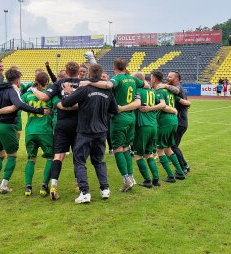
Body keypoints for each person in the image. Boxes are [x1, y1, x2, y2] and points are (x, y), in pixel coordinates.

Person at [31, 62, 110, 200]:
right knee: (78, 156)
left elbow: (44, 97)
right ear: (79, 71)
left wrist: (32, 90)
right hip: (79, 125)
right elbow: (92, 96)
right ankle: (78, 184)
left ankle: (54, 185)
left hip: (62, 124)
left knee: (58, 155)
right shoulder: (84, 82)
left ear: (66, 72)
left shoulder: (59, 83)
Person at [82, 58, 146, 192]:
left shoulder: (117, 79)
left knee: (117, 149)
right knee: (126, 148)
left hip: (119, 118)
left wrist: (88, 82)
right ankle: (131, 177)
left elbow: (108, 86)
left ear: (114, 67)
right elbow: (145, 84)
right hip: (131, 117)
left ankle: (126, 179)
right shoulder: (132, 79)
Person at [61, 64, 118, 203]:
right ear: (101, 74)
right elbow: (115, 110)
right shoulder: (108, 91)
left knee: (79, 161)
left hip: (85, 132)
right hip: (101, 132)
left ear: (89, 74)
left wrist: (68, 92)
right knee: (98, 161)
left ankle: (85, 192)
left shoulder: (85, 88)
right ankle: (105, 189)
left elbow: (66, 103)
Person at [131, 72, 166, 188]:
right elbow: (163, 105)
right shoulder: (151, 92)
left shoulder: (137, 92)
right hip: (153, 126)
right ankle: (156, 180)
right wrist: (151, 108)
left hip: (142, 126)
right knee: (149, 154)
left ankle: (147, 180)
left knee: (138, 155)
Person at [152, 71, 187, 182]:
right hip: (174, 120)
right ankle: (180, 173)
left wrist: (148, 108)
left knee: (159, 149)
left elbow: (163, 106)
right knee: (168, 148)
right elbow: (183, 101)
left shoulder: (159, 90)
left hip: (165, 121)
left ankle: (171, 176)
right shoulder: (169, 90)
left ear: (154, 78)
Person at [158, 70, 191, 173]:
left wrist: (164, 86)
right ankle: (182, 165)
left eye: (170, 77)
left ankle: (183, 166)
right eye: (167, 76)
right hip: (179, 121)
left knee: (173, 146)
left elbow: (176, 92)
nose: (167, 78)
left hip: (180, 121)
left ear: (176, 78)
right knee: (172, 145)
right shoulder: (174, 90)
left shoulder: (178, 88)